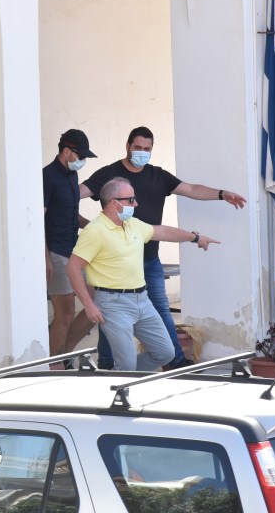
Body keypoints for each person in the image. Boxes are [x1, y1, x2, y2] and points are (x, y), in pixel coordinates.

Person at [78, 126, 246, 369]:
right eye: (138, 148)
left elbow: (190, 190)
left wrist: (221, 194)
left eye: (147, 149)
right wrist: (83, 222)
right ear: (127, 146)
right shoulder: (109, 174)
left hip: (148, 260)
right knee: (112, 318)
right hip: (114, 265)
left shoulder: (158, 176)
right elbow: (76, 193)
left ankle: (172, 361)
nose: (142, 153)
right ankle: (109, 365)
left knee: (160, 310)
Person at [67, 177, 219, 371]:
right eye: (131, 200)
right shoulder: (94, 231)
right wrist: (89, 305)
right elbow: (73, 267)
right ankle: (123, 383)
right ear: (114, 203)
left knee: (165, 353)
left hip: (142, 300)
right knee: (127, 364)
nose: (136, 204)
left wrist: (195, 237)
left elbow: (162, 232)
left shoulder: (132, 224)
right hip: (113, 304)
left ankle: (116, 379)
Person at [43, 129, 97, 356]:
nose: (83, 160)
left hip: (76, 250)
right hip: (55, 251)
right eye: (80, 155)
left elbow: (72, 213)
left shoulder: (72, 175)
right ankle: (52, 363)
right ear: (67, 152)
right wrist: (45, 257)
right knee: (65, 313)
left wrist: (95, 227)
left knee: (94, 306)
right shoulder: (47, 176)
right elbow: (37, 220)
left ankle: (65, 354)